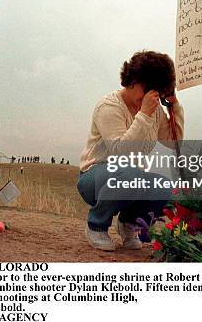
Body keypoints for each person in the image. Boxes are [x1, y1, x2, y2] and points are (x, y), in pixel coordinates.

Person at [77, 50, 184, 252]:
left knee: (164, 187)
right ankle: (96, 225)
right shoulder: (109, 106)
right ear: (133, 81)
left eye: (157, 92)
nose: (150, 97)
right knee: (128, 172)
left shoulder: (155, 112)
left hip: (129, 179)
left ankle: (129, 225)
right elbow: (121, 154)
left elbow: (172, 143)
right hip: (95, 178)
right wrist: (143, 114)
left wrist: (174, 108)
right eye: (148, 89)